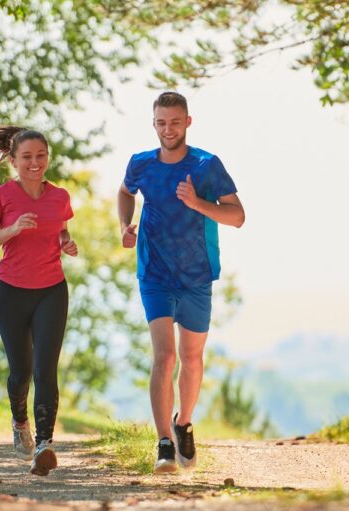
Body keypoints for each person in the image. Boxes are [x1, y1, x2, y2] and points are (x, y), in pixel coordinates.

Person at [117, 92, 245, 473]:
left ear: (188, 122)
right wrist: (125, 226)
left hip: (196, 275)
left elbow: (237, 216)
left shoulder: (206, 165)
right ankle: (163, 444)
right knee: (165, 356)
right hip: (154, 272)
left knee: (190, 358)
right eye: (161, 122)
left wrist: (197, 203)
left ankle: (183, 423)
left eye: (174, 122)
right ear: (153, 123)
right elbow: (125, 192)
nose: (167, 129)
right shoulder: (140, 164)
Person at [0, 126, 78, 476]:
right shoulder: (0, 196)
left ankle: (45, 444)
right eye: (27, 157)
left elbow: (60, 227)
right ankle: (19, 422)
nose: (35, 163)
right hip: (11, 292)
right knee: (22, 371)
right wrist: (11, 230)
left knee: (46, 368)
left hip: (51, 290)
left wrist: (65, 242)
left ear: (48, 157)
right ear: (13, 160)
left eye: (40, 156)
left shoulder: (59, 196)